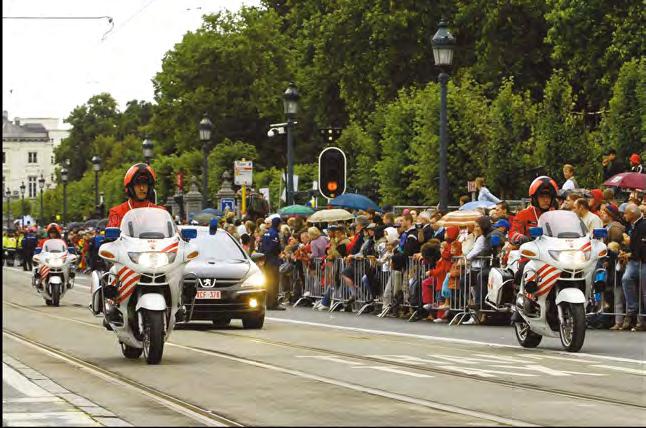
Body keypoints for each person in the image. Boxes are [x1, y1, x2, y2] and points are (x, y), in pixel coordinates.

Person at [107, 163, 164, 228]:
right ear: (130, 187)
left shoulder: (160, 212)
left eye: (145, 184)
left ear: (149, 187)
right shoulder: (116, 212)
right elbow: (111, 237)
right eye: (137, 184)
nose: (142, 188)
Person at [619, 203, 646, 331]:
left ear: (632, 213)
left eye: (625, 213)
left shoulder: (643, 225)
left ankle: (642, 318)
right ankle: (632, 311)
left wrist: (631, 254)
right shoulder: (631, 225)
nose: (624, 216)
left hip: (643, 261)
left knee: (644, 291)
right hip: (633, 260)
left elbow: (642, 246)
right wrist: (626, 250)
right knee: (626, 279)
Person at [260, 217, 285, 310]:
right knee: (274, 283)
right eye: (280, 224)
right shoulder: (274, 234)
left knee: (268, 282)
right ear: (277, 224)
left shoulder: (266, 233)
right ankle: (273, 303)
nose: (281, 226)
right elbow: (274, 248)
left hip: (266, 260)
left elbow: (262, 247)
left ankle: (268, 302)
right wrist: (279, 252)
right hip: (273, 261)